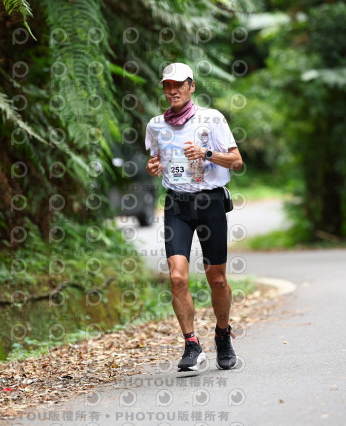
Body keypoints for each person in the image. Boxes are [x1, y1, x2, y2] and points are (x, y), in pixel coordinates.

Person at [145, 62, 244, 371]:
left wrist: (206, 154)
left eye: (179, 84)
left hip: (210, 203)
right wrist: (153, 166)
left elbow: (237, 162)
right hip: (177, 204)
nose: (172, 90)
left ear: (191, 86)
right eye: (167, 85)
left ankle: (223, 335)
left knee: (218, 280)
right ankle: (191, 345)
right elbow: (157, 158)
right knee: (176, 277)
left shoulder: (211, 119)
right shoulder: (155, 125)